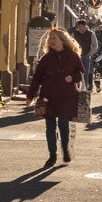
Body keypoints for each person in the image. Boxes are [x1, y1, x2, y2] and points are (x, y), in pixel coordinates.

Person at [25, 27, 84, 166]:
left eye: (54, 38)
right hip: (48, 96)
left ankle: (65, 149)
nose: (51, 41)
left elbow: (81, 73)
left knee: (63, 124)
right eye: (49, 38)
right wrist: (30, 96)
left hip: (67, 95)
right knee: (49, 126)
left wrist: (73, 77)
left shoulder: (72, 55)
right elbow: (37, 78)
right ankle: (52, 156)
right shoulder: (46, 58)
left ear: (62, 40)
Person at [72, 19, 95, 92]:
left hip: (86, 55)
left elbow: (95, 45)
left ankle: (85, 88)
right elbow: (71, 43)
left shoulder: (90, 33)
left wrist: (90, 53)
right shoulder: (74, 34)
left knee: (86, 72)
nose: (80, 27)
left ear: (85, 26)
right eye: (79, 26)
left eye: (82, 26)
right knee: (76, 71)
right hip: (77, 55)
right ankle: (76, 87)